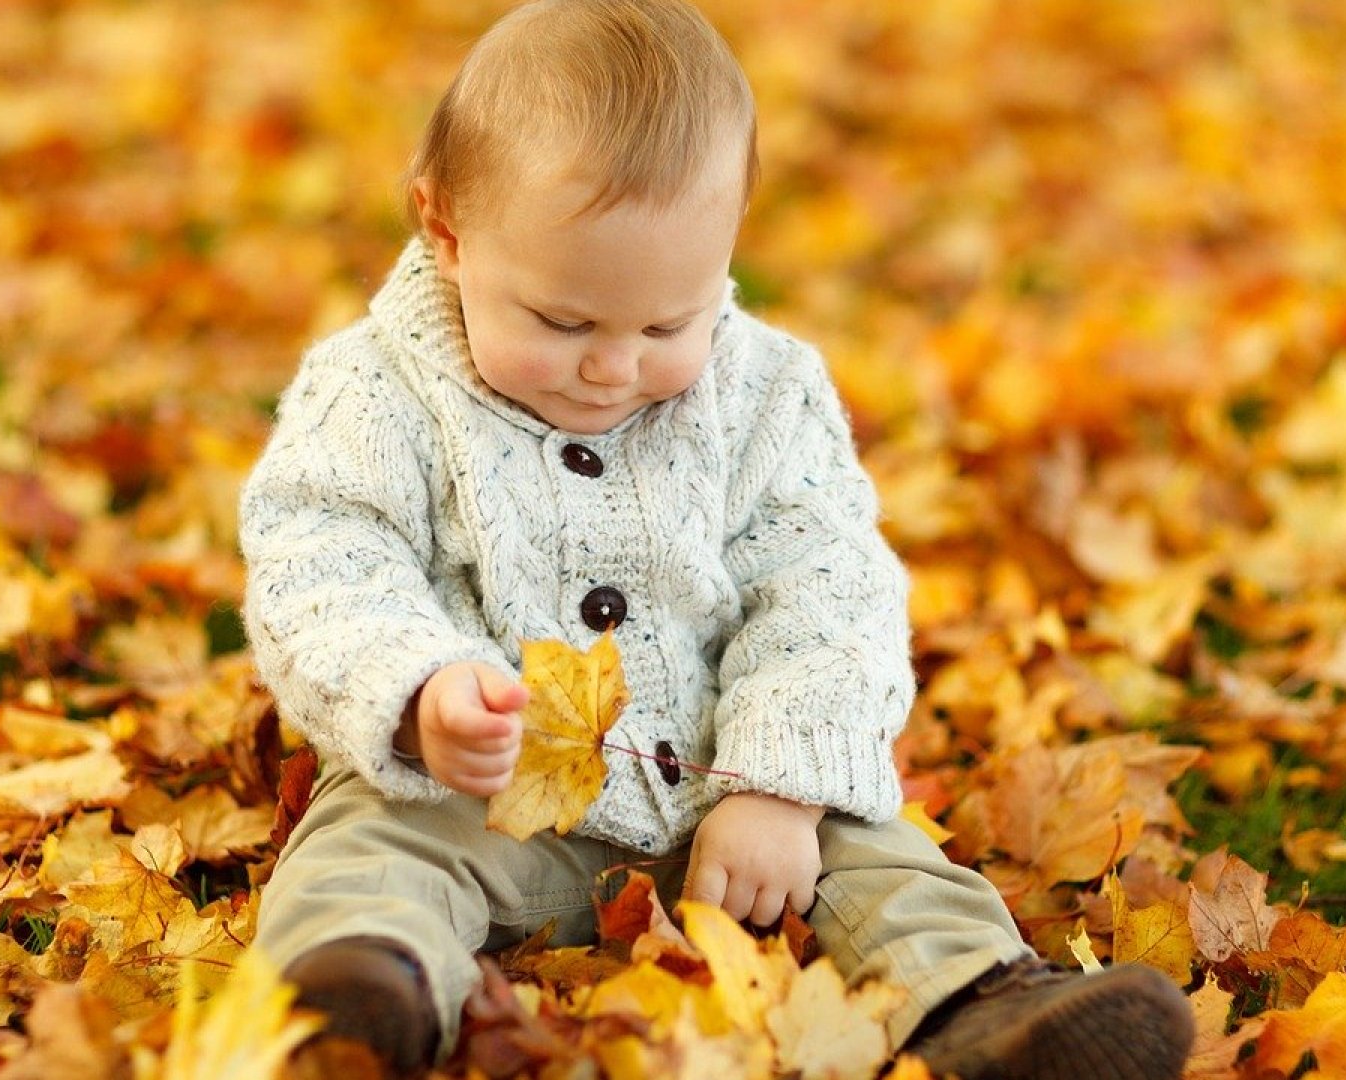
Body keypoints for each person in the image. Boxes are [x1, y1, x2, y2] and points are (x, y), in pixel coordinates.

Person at [238, 1, 1194, 1076]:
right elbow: (321, 560)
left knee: (878, 852)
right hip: (480, 801)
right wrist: (416, 694)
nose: (613, 368)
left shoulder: (766, 394)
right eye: (562, 322)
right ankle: (364, 993)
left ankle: (985, 1005)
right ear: (447, 229)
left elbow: (826, 587)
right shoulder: (373, 392)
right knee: (367, 849)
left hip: (722, 798)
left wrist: (777, 783)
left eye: (667, 325)